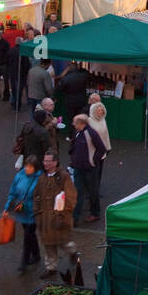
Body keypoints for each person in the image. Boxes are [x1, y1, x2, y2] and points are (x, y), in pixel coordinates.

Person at [33, 150, 78, 281]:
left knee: (64, 242)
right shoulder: (42, 178)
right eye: (44, 161)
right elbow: (37, 196)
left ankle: (73, 252)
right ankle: (51, 268)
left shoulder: (64, 177)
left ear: (55, 162)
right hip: (45, 219)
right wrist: (37, 213)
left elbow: (70, 197)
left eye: (48, 161)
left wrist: (63, 215)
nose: (45, 163)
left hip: (59, 218)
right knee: (48, 245)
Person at [69, 114, 106, 225]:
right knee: (78, 192)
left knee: (92, 191)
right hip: (78, 168)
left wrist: (93, 161)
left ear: (81, 123)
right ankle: (75, 218)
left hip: (90, 169)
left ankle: (95, 213)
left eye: (75, 122)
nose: (73, 124)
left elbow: (102, 149)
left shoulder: (91, 133)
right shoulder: (78, 133)